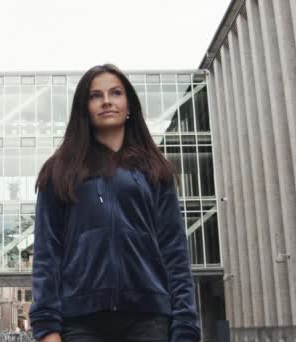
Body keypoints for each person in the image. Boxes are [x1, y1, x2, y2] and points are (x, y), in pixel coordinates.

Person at [29, 64, 200, 342]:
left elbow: (175, 253)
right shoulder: (59, 171)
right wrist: (47, 327)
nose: (107, 101)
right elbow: (47, 254)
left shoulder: (155, 171)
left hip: (148, 318)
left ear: (129, 104)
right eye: (95, 95)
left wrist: (185, 325)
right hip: (80, 322)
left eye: (116, 93)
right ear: (84, 108)